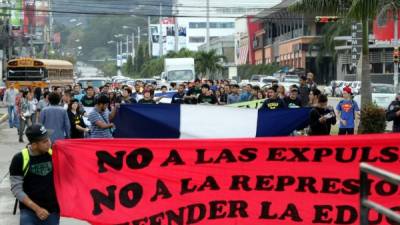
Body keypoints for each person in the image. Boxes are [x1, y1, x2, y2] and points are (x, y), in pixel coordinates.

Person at [9, 124, 60, 225]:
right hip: (29, 212)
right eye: (44, 141)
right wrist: (37, 209)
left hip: (52, 211)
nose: (49, 143)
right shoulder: (19, 159)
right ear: (34, 145)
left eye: (48, 139)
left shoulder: (54, 154)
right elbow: (16, 189)